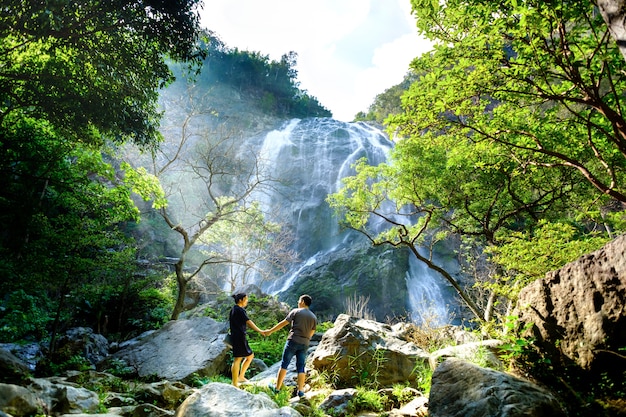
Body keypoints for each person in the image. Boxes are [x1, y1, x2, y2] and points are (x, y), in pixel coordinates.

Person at [266, 294, 317, 398]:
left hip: (293, 341)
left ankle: (277, 388)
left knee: (284, 364)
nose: (298, 302)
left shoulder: (296, 311)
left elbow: (283, 323)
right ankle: (301, 391)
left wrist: (270, 331)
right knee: (301, 367)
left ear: (302, 302)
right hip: (305, 344)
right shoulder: (313, 317)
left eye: (299, 300)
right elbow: (312, 332)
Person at [229, 292, 265, 387]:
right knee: (238, 359)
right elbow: (248, 322)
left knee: (249, 356)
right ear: (241, 300)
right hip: (239, 336)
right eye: (246, 299)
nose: (247, 301)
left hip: (237, 336)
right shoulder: (239, 310)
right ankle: (235, 383)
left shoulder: (234, 309)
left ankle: (240, 377)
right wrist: (260, 331)